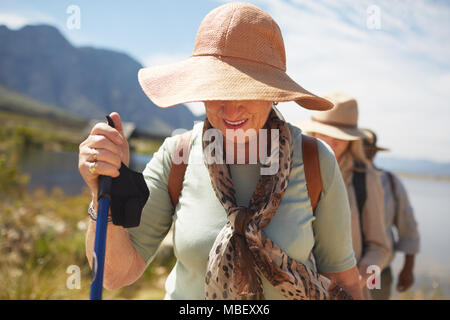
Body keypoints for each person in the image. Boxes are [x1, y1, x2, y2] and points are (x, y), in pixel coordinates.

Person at [78, 2, 363, 300]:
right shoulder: (178, 156)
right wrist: (102, 193)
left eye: (246, 88)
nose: (230, 107)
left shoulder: (314, 161)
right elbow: (114, 275)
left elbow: (344, 281)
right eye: (216, 87)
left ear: (273, 92)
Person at [298, 92, 391, 299]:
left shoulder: (366, 180)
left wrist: (355, 279)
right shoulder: (291, 171)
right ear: (312, 132)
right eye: (325, 134)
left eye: (340, 136)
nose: (332, 142)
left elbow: (380, 248)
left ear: (352, 141)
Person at [362, 128, 420, 300]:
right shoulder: (338, 178)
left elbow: (408, 227)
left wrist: (408, 268)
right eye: (364, 148)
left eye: (372, 150)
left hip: (376, 270)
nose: (368, 153)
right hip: (340, 269)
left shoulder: (391, 182)